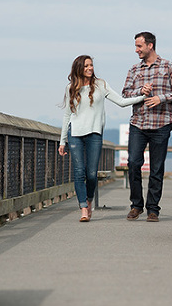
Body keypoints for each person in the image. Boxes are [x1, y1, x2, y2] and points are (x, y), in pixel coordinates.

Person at [59, 55, 150, 222]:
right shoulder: (70, 87)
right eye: (86, 66)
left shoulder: (101, 85)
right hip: (75, 134)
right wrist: (62, 141)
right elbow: (67, 115)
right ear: (79, 68)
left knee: (92, 174)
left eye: (91, 65)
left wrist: (142, 97)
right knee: (79, 173)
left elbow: (121, 102)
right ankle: (84, 209)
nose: (90, 68)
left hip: (94, 134)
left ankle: (89, 199)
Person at [122, 31, 172, 222]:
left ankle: (153, 209)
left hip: (161, 123)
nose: (136, 50)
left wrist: (161, 98)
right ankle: (136, 205)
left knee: (156, 168)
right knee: (133, 163)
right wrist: (140, 91)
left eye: (139, 46)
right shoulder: (134, 70)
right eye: (135, 46)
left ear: (150, 45)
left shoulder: (168, 66)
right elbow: (125, 94)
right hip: (138, 123)